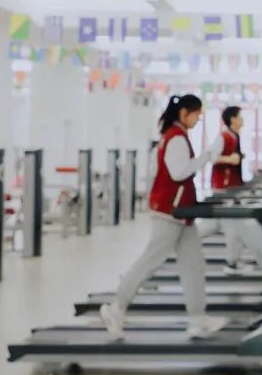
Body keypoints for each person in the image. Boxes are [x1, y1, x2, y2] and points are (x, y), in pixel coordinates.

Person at [99, 94, 235, 339]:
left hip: (182, 213)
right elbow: (179, 172)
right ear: (184, 113)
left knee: (194, 265)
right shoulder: (176, 138)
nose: (198, 118)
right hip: (170, 212)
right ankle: (116, 307)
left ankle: (198, 318)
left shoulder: (174, 136)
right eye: (196, 113)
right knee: (150, 261)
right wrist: (207, 155)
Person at [205, 106, 253, 273]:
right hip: (224, 189)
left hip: (232, 188)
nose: (242, 119)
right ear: (232, 119)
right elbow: (210, 157)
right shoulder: (224, 137)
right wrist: (229, 159)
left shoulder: (235, 136)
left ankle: (234, 260)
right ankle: (232, 263)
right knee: (232, 226)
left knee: (215, 225)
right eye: (240, 116)